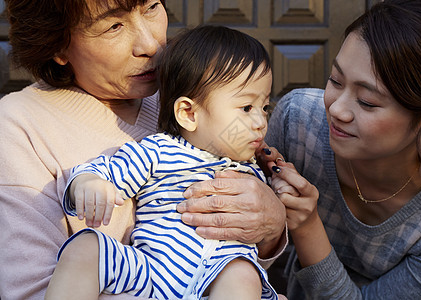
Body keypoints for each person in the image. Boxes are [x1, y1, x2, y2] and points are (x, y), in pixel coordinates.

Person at [0, 1, 286, 299]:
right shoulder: (18, 125)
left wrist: (272, 224)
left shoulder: (202, 90)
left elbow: (254, 257)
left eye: (151, 7)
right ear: (57, 45)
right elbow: (32, 291)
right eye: (114, 26)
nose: (151, 45)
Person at [264, 0, 421, 298]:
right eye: (335, 80)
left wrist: (308, 226)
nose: (337, 109)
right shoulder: (297, 121)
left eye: (367, 102)